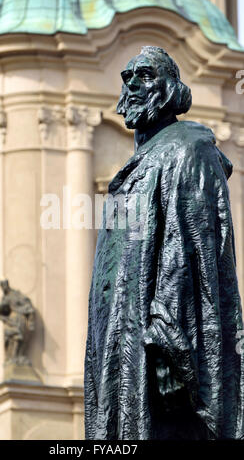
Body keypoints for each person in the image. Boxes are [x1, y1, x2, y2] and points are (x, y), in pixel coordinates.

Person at [84, 46, 244, 440]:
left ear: (172, 89)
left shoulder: (189, 149)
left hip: (161, 352)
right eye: (127, 77)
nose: (134, 85)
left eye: (146, 75)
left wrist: (170, 349)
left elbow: (186, 247)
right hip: (122, 339)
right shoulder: (138, 165)